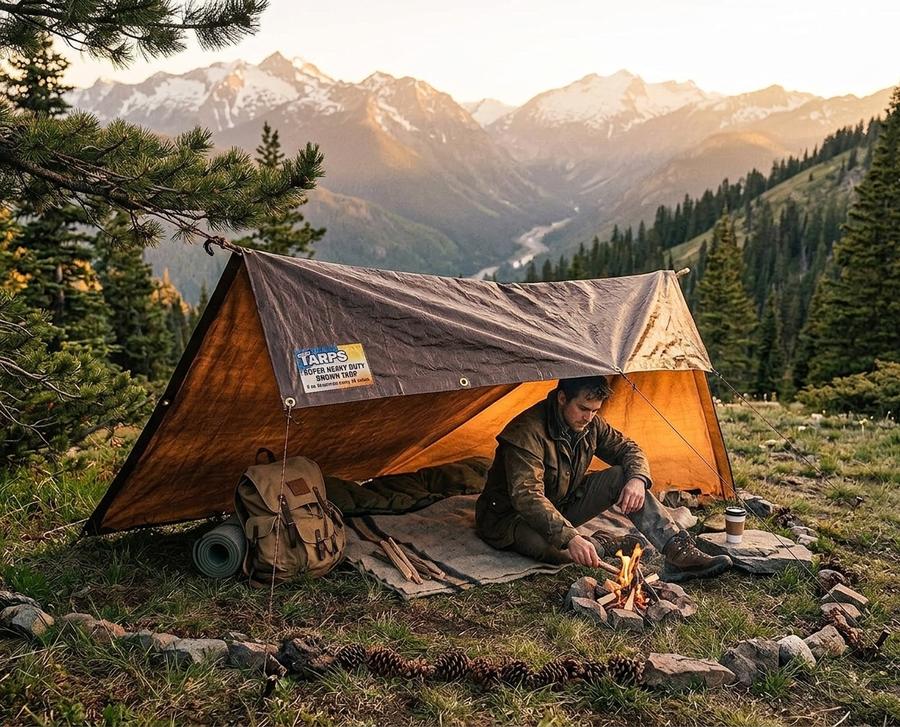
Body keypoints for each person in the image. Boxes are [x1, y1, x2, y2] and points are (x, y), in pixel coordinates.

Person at [475, 375, 732, 581]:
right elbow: (527, 496)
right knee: (556, 550)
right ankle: (602, 544)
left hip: (561, 503)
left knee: (623, 475)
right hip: (509, 519)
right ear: (562, 398)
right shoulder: (525, 432)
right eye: (583, 408)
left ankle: (677, 551)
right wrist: (571, 537)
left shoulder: (591, 424)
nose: (589, 417)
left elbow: (629, 449)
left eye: (595, 411)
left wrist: (638, 479)